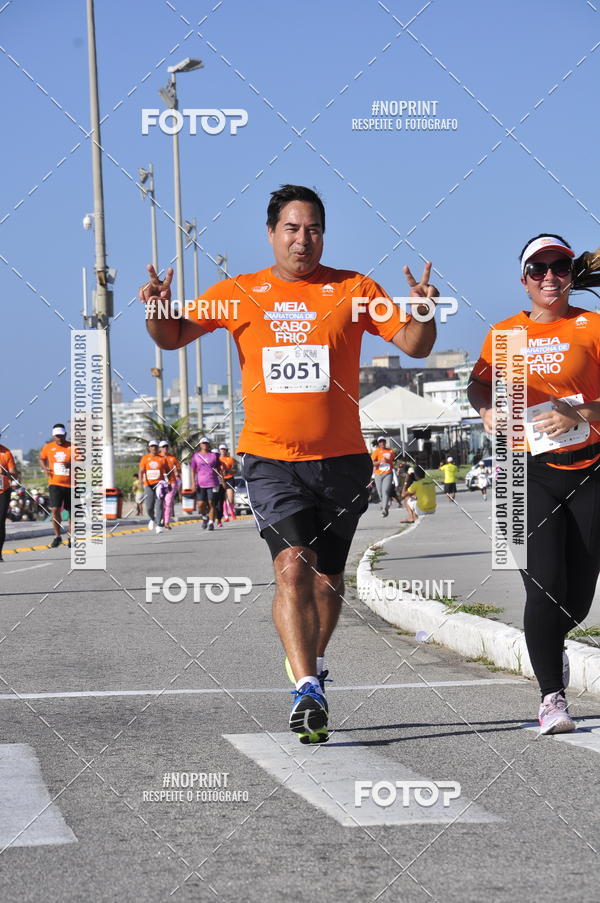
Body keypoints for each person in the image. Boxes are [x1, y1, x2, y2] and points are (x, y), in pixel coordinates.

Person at [141, 183, 438, 743]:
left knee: (327, 585)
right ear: (272, 233)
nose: (304, 240)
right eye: (292, 229)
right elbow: (172, 336)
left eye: (314, 229)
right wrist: (158, 307)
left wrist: (421, 310)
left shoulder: (354, 289)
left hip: (343, 462)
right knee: (293, 567)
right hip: (271, 459)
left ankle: (310, 667)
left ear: (324, 234)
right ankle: (306, 686)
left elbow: (416, 345)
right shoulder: (239, 292)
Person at [468, 233, 600, 735]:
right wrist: (485, 409)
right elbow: (479, 380)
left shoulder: (593, 328)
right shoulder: (504, 334)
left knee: (577, 599)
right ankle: (551, 697)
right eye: (538, 268)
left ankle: (549, 643)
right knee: (543, 587)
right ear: (523, 279)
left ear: (571, 274)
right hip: (523, 475)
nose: (550, 277)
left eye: (560, 267)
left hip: (591, 470)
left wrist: (579, 411)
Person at [39, 424, 72, 548]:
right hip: (55, 483)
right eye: (57, 436)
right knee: (54, 509)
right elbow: (41, 459)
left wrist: (71, 464)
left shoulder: (72, 447)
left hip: (71, 485)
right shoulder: (48, 447)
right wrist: (45, 468)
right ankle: (57, 536)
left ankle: (71, 537)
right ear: (53, 436)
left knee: (72, 513)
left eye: (61, 435)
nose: (59, 438)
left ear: (65, 434)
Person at [190, 438, 222, 531]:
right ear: (200, 445)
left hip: (212, 482)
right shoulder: (196, 456)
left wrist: (222, 480)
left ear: (209, 445)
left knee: (211, 503)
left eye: (206, 443)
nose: (204, 445)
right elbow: (193, 470)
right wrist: (193, 483)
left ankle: (211, 522)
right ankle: (204, 516)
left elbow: (218, 469)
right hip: (200, 483)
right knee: (201, 504)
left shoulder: (214, 456)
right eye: (203, 443)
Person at [138, 440, 168, 533]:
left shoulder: (162, 458)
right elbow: (141, 470)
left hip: (160, 485)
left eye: (155, 446)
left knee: (159, 505)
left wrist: (169, 482)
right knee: (149, 507)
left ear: (157, 448)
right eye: (152, 446)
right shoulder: (145, 458)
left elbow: (168, 471)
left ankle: (159, 525)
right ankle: (153, 519)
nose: (153, 448)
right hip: (148, 485)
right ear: (149, 448)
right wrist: (140, 481)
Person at [0, 441, 18, 561]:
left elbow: (14, 474)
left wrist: (6, 473)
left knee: (0, 521)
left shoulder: (6, 452)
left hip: (3, 491)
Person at [371, 436, 396, 517]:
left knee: (385, 491)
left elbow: (393, 461)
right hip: (378, 474)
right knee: (380, 493)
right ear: (378, 443)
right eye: (380, 442)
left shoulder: (391, 451)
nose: (382, 443)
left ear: (385, 442)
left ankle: (384, 509)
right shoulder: (376, 452)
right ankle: (385, 506)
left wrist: (389, 462)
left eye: (383, 441)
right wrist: (380, 461)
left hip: (388, 473)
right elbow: (372, 463)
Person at [159, 440, 181, 529]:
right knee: (160, 503)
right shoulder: (157, 458)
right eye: (163, 447)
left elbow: (178, 469)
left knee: (168, 502)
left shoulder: (173, 458)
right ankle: (159, 519)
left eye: (166, 446)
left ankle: (166, 522)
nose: (165, 448)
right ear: (160, 448)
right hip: (160, 483)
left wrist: (177, 472)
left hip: (171, 482)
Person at [219, 444, 237, 522]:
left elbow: (235, 470)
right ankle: (226, 515)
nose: (223, 450)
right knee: (223, 498)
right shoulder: (217, 459)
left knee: (230, 497)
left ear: (226, 450)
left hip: (229, 478)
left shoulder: (230, 459)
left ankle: (232, 511)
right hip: (220, 479)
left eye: (224, 449)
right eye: (221, 449)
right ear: (219, 450)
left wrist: (228, 470)